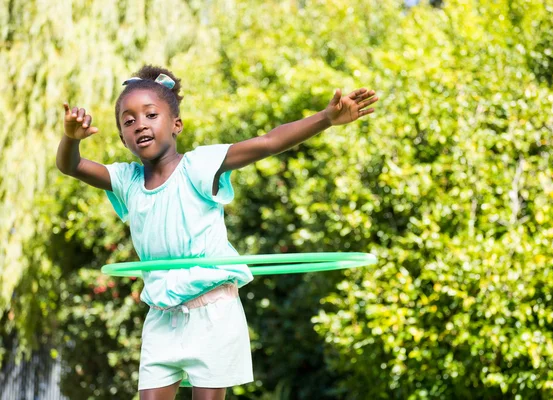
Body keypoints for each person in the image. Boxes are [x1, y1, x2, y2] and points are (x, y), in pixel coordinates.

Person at [56, 64, 378, 400]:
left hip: (213, 312)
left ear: (176, 124)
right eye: (129, 120)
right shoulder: (126, 181)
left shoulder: (199, 166)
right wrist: (70, 138)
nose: (140, 125)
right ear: (122, 137)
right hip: (162, 317)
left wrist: (325, 118)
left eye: (151, 115)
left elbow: (268, 143)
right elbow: (71, 165)